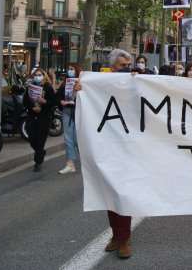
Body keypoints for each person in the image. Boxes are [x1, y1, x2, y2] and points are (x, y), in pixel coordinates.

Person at [74, 49, 134, 258]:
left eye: (128, 66)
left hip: (128, 146)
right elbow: (87, 102)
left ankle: (124, 238)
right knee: (109, 193)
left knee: (123, 193)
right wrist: (80, 91)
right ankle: (115, 234)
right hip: (106, 146)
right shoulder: (98, 83)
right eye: (122, 66)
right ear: (112, 67)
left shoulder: (135, 82)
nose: (126, 69)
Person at [23, 68, 55, 172]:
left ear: (44, 76)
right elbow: (25, 101)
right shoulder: (30, 87)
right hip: (32, 116)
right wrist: (32, 108)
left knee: (40, 141)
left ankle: (38, 162)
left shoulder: (48, 88)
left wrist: (44, 102)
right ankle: (40, 152)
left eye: (39, 74)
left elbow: (53, 103)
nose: (37, 76)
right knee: (32, 139)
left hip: (44, 117)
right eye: (36, 75)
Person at [55, 63, 81, 174]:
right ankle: (70, 164)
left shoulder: (82, 83)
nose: (69, 71)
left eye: (72, 69)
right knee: (68, 138)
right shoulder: (64, 83)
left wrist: (78, 90)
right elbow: (58, 96)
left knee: (77, 139)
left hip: (79, 112)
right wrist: (60, 101)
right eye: (68, 69)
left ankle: (88, 161)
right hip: (67, 111)